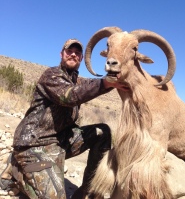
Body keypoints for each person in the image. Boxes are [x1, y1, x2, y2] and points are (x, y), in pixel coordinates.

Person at [0, 38, 129, 199]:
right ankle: (18, 171)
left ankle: (86, 190)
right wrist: (105, 83)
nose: (73, 54)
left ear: (81, 58)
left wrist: (120, 78)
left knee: (102, 132)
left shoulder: (78, 81)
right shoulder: (51, 75)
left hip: (60, 141)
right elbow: (70, 96)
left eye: (77, 53)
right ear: (62, 54)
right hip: (34, 144)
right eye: (69, 51)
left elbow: (94, 85)